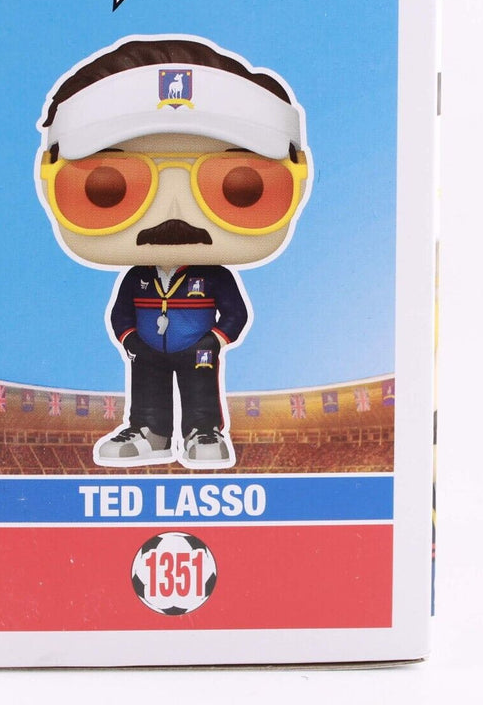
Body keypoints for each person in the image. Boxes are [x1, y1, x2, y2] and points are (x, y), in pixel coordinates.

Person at [37, 37, 310, 468]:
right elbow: (121, 311)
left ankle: (204, 430)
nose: (174, 214)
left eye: (240, 188)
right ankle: (151, 432)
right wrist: (129, 338)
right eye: (108, 188)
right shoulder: (138, 277)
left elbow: (235, 312)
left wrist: (216, 338)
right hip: (146, 346)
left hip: (198, 344)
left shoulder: (214, 276)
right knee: (146, 391)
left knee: (201, 392)